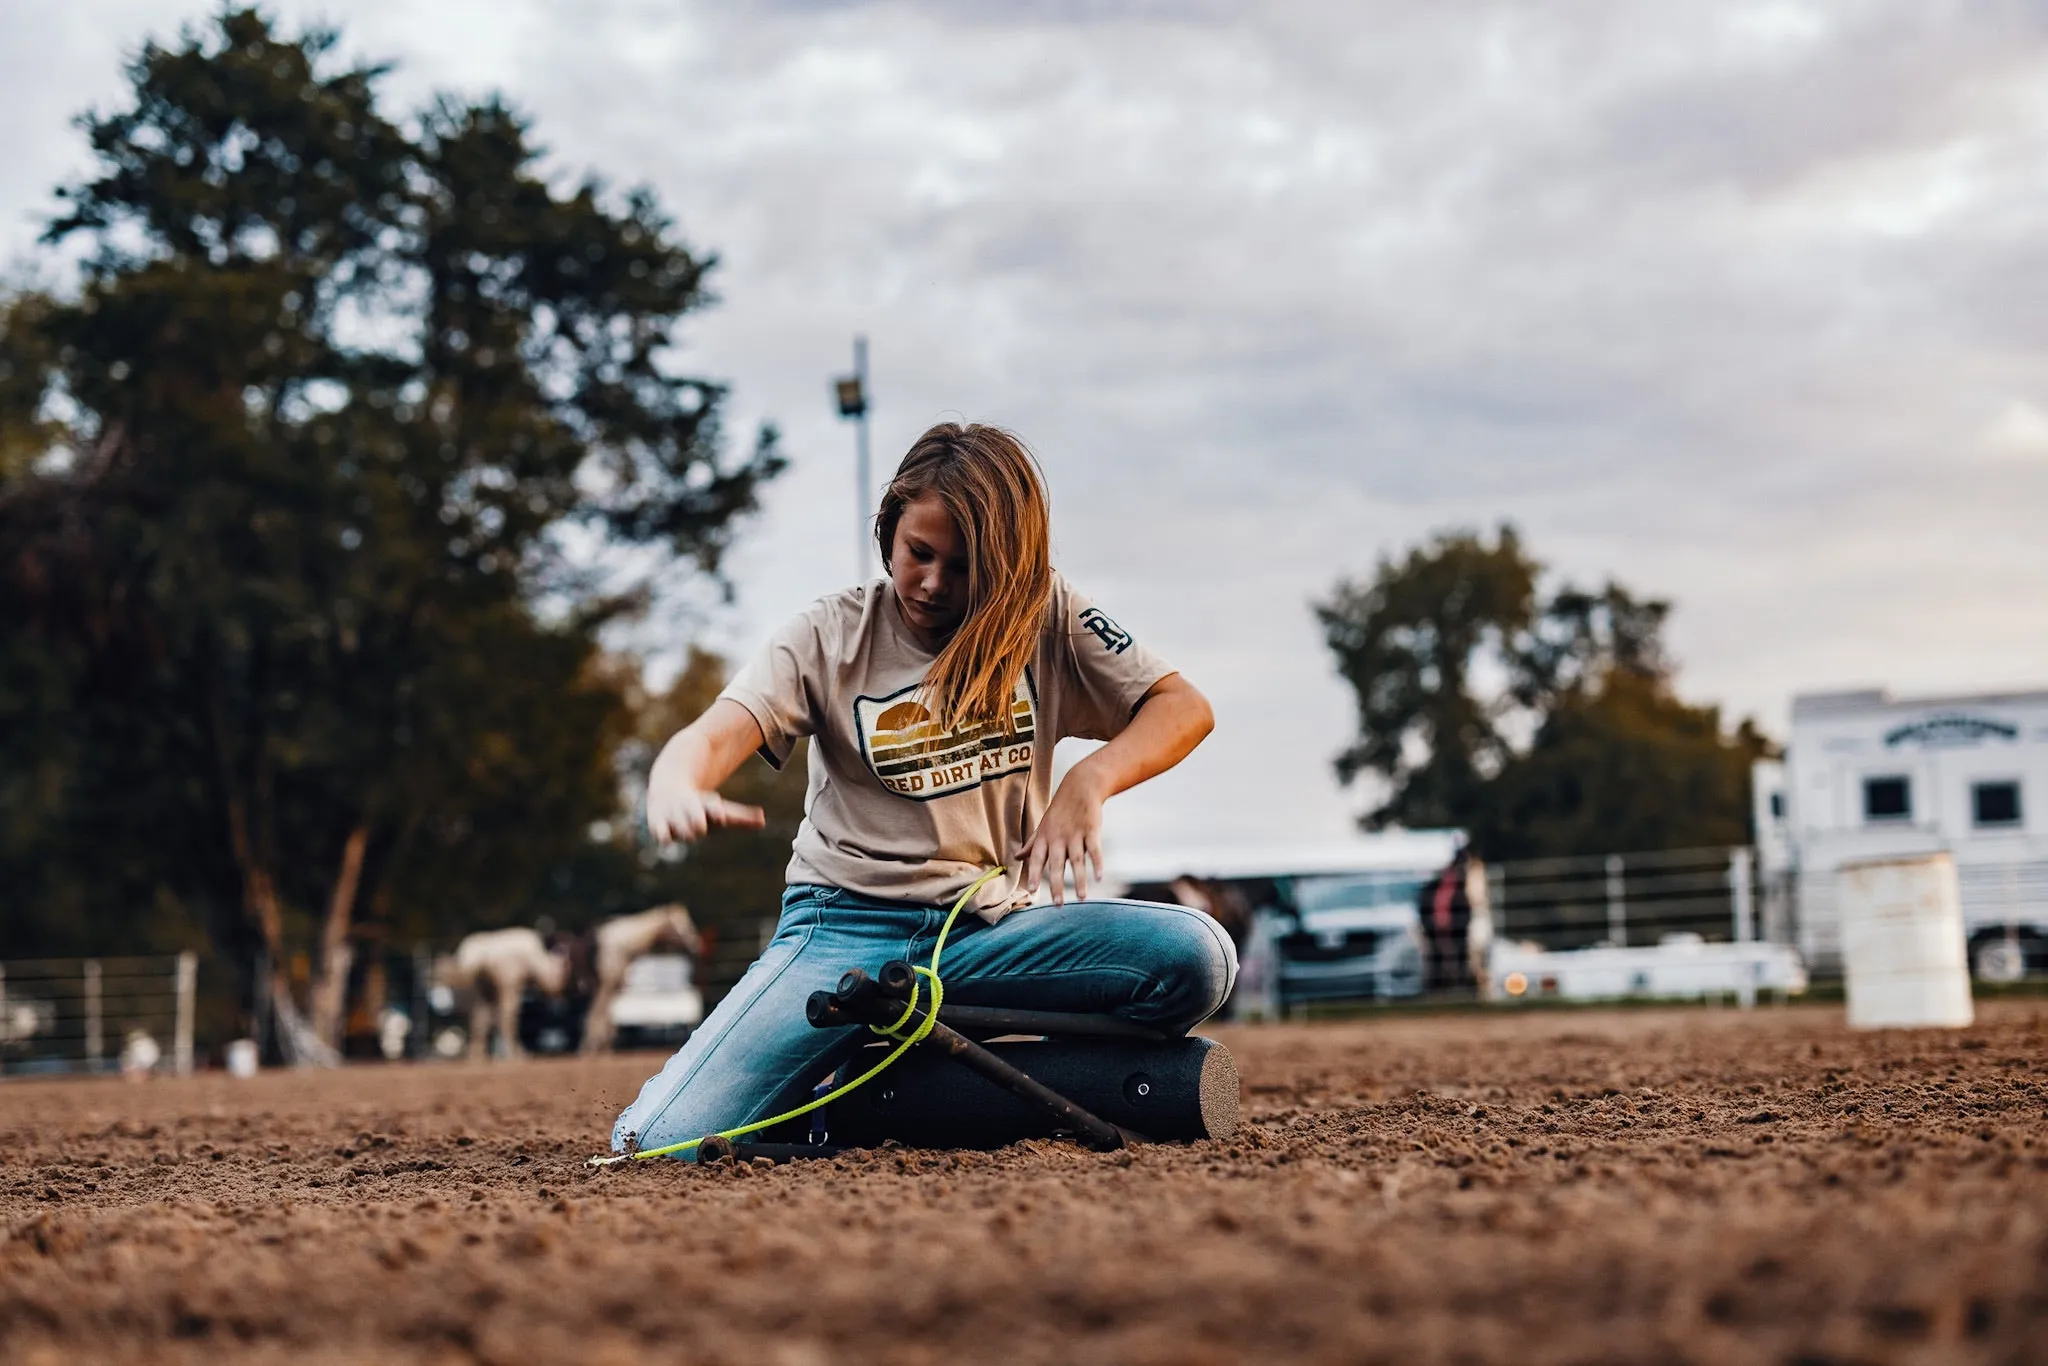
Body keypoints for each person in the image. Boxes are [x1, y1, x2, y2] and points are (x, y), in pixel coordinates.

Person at [611, 423, 1237, 1155]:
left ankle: (904, 1074)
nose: (933, 583)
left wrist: (1090, 780)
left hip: (992, 932)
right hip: (842, 938)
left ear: (1009, 566)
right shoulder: (829, 634)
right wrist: (675, 780)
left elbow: (1183, 708)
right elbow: (716, 733)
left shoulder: (1049, 616)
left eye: (964, 566)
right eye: (919, 553)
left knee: (1198, 959)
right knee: (655, 1142)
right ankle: (850, 1105)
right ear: (889, 531)